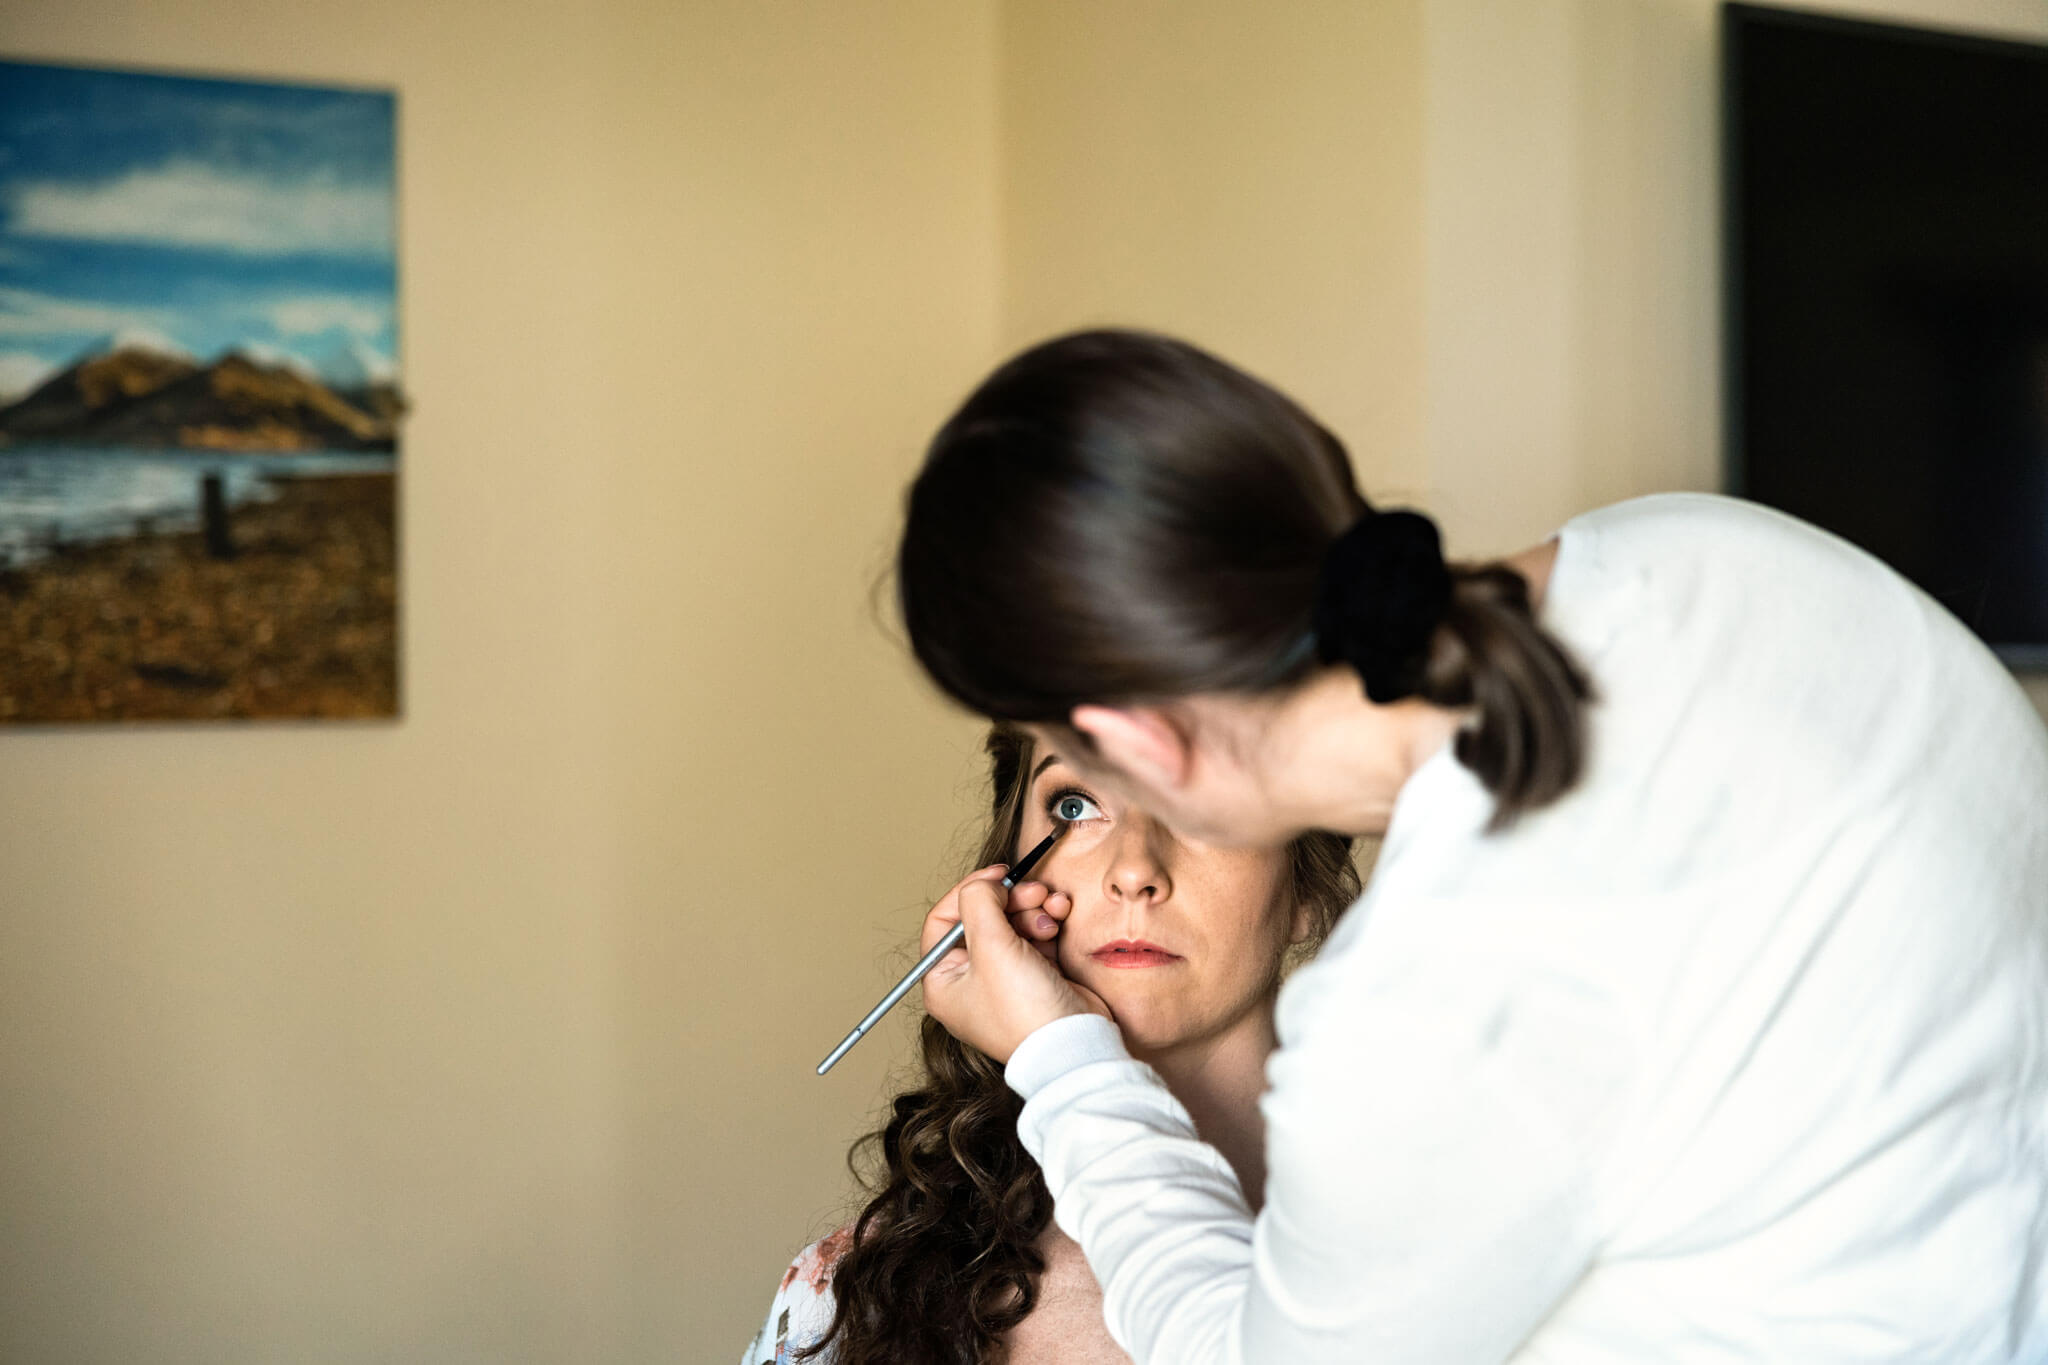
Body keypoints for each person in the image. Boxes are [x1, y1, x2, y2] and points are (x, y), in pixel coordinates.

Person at [893, 328, 2048, 1363]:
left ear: (1133, 738)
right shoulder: (1715, 548)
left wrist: (1061, 1060)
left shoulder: (1433, 1000)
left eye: (1075, 766)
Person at [743, 723, 1361, 1365]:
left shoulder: (1439, 1252)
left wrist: (1061, 1052)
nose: (1133, 871)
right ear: (1009, 876)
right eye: (1076, 806)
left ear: (1309, 887)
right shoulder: (850, 1293)